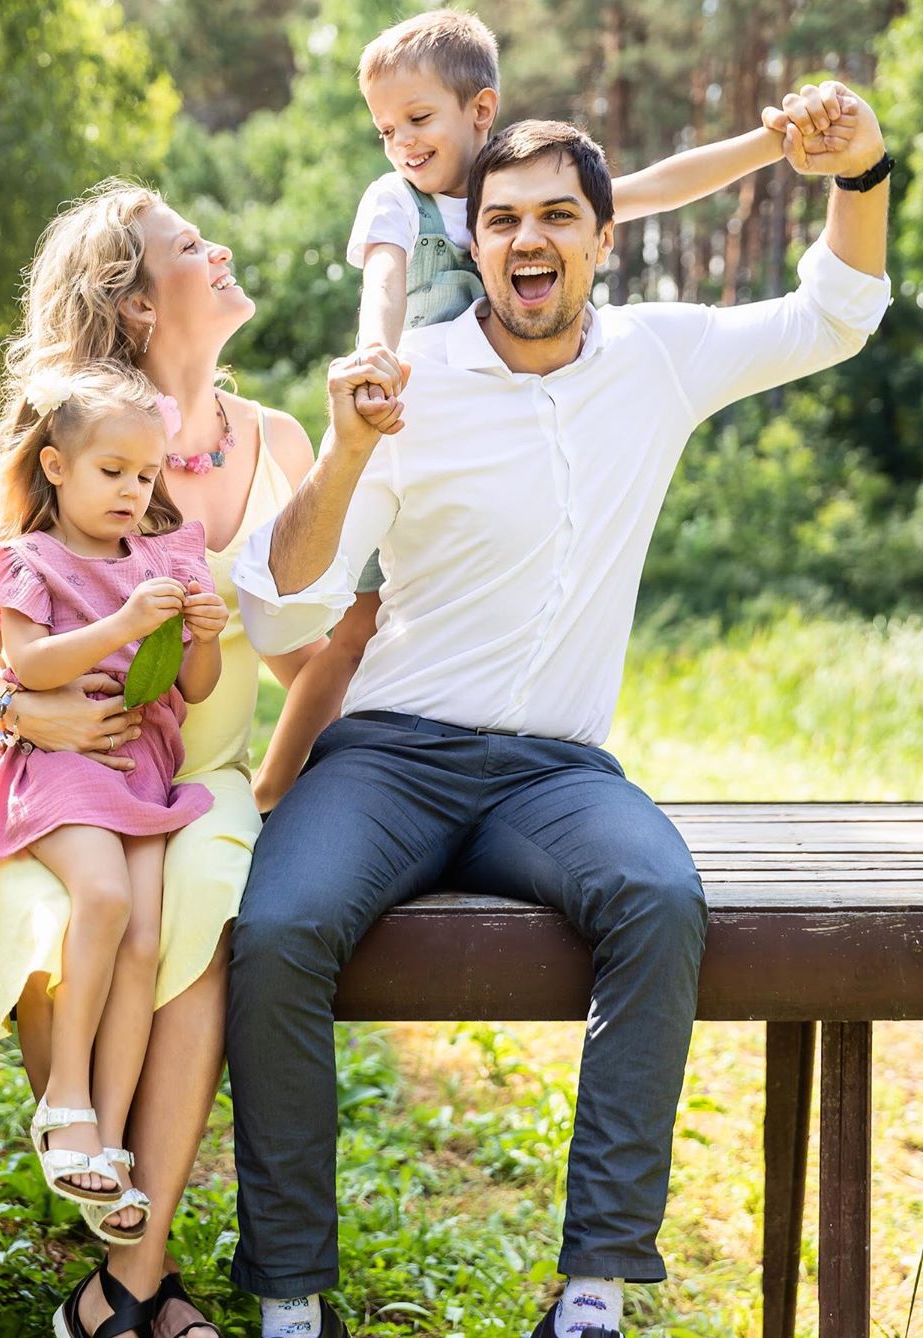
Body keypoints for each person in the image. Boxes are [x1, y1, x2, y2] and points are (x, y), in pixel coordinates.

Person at [228, 85, 891, 1338]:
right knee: (279, 926)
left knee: (659, 896)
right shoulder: (407, 382)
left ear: (600, 234)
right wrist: (347, 452)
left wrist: (861, 177)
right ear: (470, 241)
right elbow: (280, 605)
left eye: (557, 217)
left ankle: (591, 1289)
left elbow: (837, 314)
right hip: (391, 759)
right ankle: (293, 1298)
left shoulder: (659, 356)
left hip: (558, 776)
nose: (528, 240)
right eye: (502, 220)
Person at [0, 180, 323, 1338]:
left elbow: (314, 651)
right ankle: (108, 1213)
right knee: (76, 911)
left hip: (191, 777)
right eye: (185, 245)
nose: (217, 250)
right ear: (135, 301)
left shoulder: (280, 441)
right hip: (54, 758)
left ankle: (128, 1282)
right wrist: (21, 709)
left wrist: (299, 781)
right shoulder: (72, 429)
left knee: (202, 921)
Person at [248, 7, 856, 814]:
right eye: (385, 128)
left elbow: (665, 184)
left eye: (418, 119)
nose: (401, 143)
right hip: (407, 430)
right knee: (353, 634)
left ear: (482, 111)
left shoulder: (536, 191)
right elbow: (384, 281)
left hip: (499, 452)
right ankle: (275, 794)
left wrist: (770, 143)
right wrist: (377, 358)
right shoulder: (397, 200)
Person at [0, 363, 228, 1247]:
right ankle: (67, 1101)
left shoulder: (166, 558)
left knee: (148, 942)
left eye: (147, 474)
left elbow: (193, 688)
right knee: (106, 899)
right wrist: (125, 625)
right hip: (66, 759)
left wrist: (199, 636)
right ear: (55, 467)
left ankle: (106, 1136)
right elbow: (31, 667)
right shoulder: (29, 560)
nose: (134, 490)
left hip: (142, 768)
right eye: (111, 471)